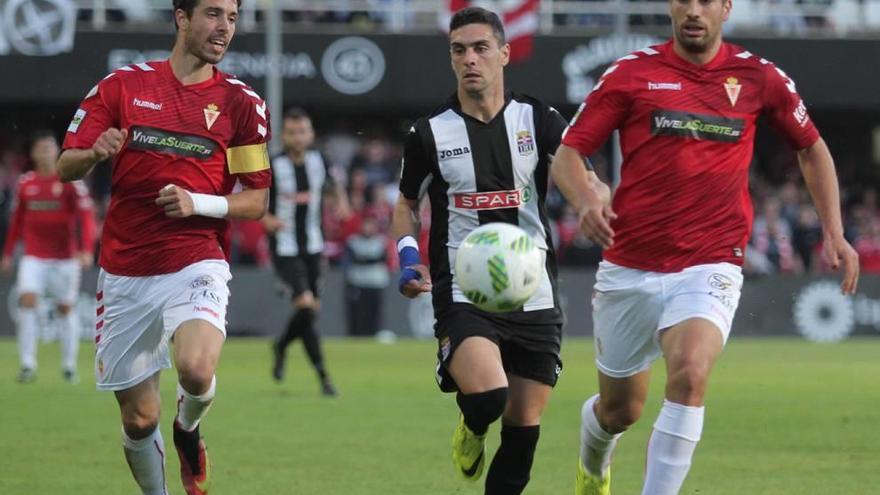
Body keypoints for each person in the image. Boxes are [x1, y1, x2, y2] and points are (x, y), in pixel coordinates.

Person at [549, 0, 860, 493]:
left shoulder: (759, 78)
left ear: (726, 8)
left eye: (706, 1)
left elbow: (811, 147)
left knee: (691, 374)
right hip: (629, 266)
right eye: (684, 0)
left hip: (710, 260)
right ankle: (593, 462)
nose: (694, 10)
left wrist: (834, 230)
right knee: (618, 411)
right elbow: (568, 154)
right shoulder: (631, 74)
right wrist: (586, 199)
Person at [57, 1, 272, 494]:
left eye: (233, 18)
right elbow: (65, 166)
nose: (224, 28)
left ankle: (189, 430)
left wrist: (199, 202)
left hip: (195, 257)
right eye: (213, 14)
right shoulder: (121, 87)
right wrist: (94, 153)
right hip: (126, 270)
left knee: (196, 370)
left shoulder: (242, 104)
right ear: (181, 17)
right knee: (138, 420)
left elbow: (256, 201)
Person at [392, 7, 580, 494]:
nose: (470, 59)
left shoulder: (539, 119)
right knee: (488, 396)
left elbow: (576, 169)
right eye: (459, 50)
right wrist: (408, 257)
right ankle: (471, 426)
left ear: (504, 53)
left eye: (480, 48)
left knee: (523, 430)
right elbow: (406, 204)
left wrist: (594, 198)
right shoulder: (429, 133)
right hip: (462, 289)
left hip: (534, 291)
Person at [264, 107, 348, 396]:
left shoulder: (319, 160)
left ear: (310, 134)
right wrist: (265, 218)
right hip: (284, 248)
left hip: (314, 246)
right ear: (283, 135)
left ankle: (282, 346)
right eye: (291, 132)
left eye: (302, 131)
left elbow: (336, 184)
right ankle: (323, 376)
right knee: (306, 305)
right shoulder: (273, 164)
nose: (297, 137)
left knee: (310, 312)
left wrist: (340, 202)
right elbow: (253, 197)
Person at [2, 130, 96, 384]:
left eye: (49, 148)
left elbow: (86, 218)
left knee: (66, 307)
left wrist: (87, 249)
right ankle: (27, 364)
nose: (44, 153)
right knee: (28, 301)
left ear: (56, 152)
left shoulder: (71, 183)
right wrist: (8, 254)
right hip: (34, 256)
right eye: (40, 149)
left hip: (65, 257)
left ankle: (68, 366)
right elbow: (16, 222)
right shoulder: (26, 183)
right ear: (33, 154)